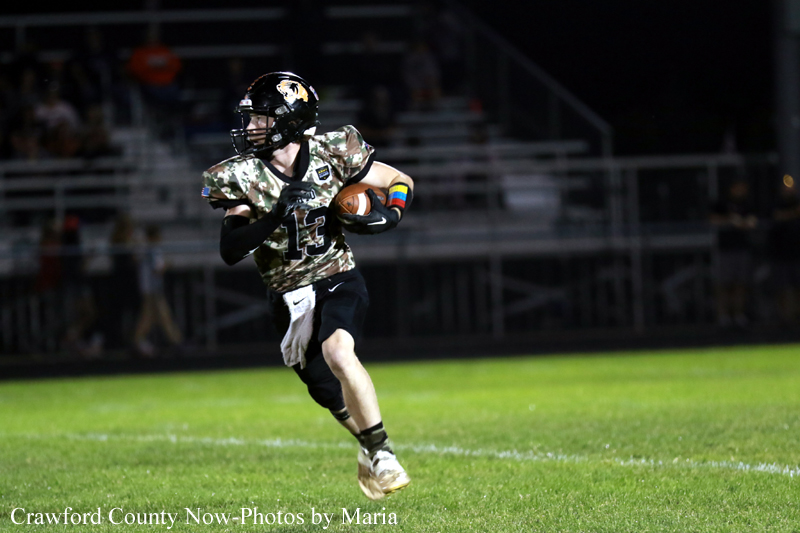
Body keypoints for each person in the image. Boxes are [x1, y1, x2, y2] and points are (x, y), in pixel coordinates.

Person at [201, 72, 414, 500]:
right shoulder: (243, 174)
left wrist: (391, 214)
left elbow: (400, 181)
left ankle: (383, 453)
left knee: (338, 352)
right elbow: (230, 248)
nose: (250, 127)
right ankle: (369, 446)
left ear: (289, 120)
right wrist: (274, 215)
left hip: (337, 275)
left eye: (260, 118)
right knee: (326, 392)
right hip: (287, 295)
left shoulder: (332, 151)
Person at [709, 180, 758, 328]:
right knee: (723, 285)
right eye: (738, 187)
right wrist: (730, 220)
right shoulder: (722, 203)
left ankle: (738, 315)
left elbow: (752, 222)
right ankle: (723, 316)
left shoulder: (748, 204)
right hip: (725, 250)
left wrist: (741, 223)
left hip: (742, 249)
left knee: (741, 284)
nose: (741, 190)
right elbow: (712, 219)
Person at [133, 224, 183, 357]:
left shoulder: (146, 250)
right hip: (153, 291)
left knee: (150, 318)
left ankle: (138, 342)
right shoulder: (152, 250)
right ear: (154, 237)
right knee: (161, 316)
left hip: (148, 290)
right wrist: (167, 264)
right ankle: (176, 343)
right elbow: (157, 269)